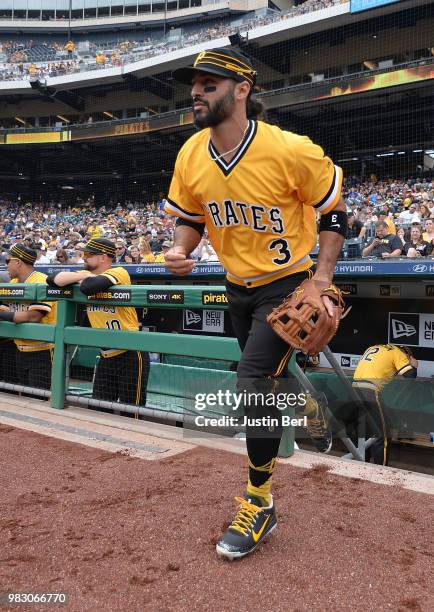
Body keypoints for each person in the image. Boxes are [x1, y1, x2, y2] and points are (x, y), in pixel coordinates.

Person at [164, 47, 347, 560]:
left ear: (242, 90)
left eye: (210, 83)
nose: (196, 92)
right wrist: (182, 248)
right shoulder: (190, 154)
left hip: (287, 283)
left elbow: (334, 213)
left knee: (250, 382)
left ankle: (259, 502)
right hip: (237, 287)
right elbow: (192, 217)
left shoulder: (290, 149)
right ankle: (302, 405)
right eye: (194, 84)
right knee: (265, 385)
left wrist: (321, 280)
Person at [46, 238, 150, 413]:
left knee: (130, 413)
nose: (83, 258)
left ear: (103, 258)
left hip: (131, 353)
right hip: (105, 356)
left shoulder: (120, 271)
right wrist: (83, 275)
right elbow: (51, 280)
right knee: (98, 409)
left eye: (88, 254)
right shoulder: (85, 274)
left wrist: (83, 278)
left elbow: (90, 287)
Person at [0, 244, 57, 389]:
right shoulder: (14, 282)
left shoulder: (41, 280)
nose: (6, 264)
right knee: (24, 396)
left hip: (42, 351)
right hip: (19, 349)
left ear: (18, 262)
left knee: (40, 398)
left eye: (8, 260)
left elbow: (33, 316)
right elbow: (8, 308)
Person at [352, 344, 417, 465]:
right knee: (383, 435)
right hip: (369, 390)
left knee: (364, 432)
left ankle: (361, 466)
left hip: (354, 389)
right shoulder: (398, 352)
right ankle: (381, 470)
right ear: (407, 355)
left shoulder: (375, 348)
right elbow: (410, 376)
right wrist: (414, 365)